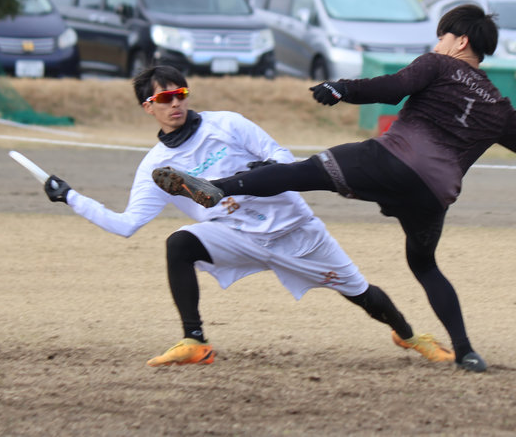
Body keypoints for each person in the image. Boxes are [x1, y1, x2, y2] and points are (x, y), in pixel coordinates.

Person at [153, 4, 516, 373]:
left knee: (302, 172)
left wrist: (341, 88)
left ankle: (216, 187)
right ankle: (466, 351)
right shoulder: (501, 107)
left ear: (459, 40)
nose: (437, 43)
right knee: (425, 265)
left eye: (442, 36)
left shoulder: (439, 64)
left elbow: (393, 87)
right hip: (434, 194)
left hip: (391, 162)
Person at [42, 64, 453, 368]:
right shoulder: (155, 168)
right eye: (164, 99)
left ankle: (410, 336)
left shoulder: (227, 124)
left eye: (180, 93)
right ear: (148, 107)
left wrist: (263, 171)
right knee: (179, 244)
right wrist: (71, 198)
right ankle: (194, 341)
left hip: (295, 231)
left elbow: (283, 157)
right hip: (238, 235)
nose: (176, 103)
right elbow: (127, 225)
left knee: (361, 293)